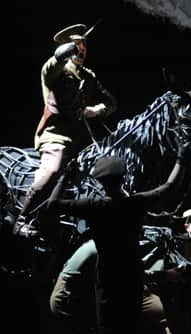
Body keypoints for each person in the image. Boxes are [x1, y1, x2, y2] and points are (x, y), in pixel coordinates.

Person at [47, 144, 191, 334]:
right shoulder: (134, 204)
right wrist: (181, 158)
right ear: (123, 179)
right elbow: (169, 187)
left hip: (107, 280)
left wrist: (66, 176)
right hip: (132, 278)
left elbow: (53, 204)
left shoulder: (94, 206)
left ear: (101, 182)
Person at [14, 23, 117, 237]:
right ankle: (21, 220)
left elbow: (111, 103)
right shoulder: (55, 71)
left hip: (78, 140)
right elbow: (52, 65)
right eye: (77, 45)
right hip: (55, 136)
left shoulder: (89, 76)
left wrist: (95, 110)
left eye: (84, 46)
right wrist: (68, 49)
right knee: (52, 170)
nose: (82, 50)